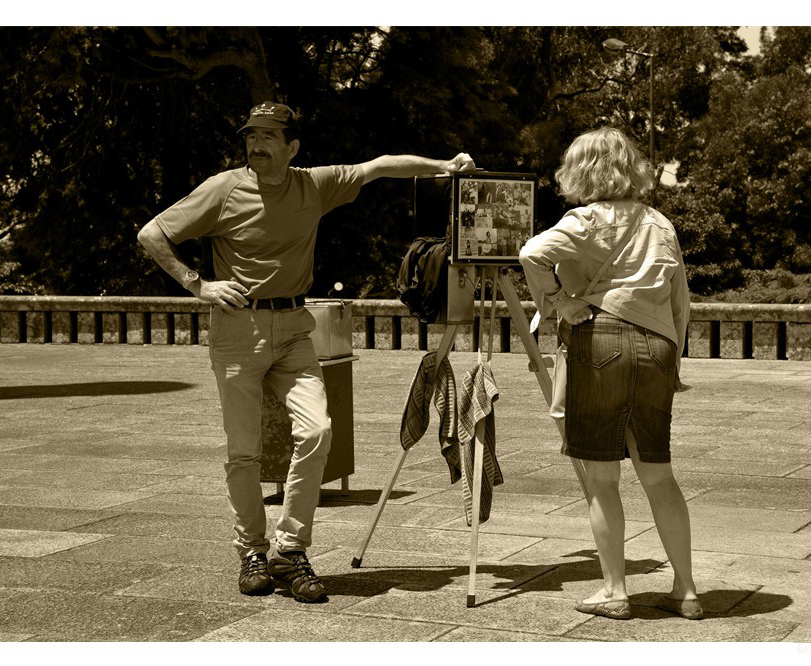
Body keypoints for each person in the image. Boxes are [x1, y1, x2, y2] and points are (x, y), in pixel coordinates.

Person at [137, 101, 475, 602]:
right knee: (243, 451)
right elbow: (152, 233)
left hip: (296, 328)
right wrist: (198, 285)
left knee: (318, 430)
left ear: (292, 146)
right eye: (251, 135)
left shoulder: (313, 185)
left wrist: (444, 167)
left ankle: (289, 549)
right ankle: (251, 550)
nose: (256, 144)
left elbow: (380, 166)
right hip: (237, 331)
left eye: (269, 136)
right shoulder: (223, 188)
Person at [519, 127, 700, 621]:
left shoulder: (582, 220)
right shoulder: (661, 224)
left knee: (602, 480)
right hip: (657, 346)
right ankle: (685, 590)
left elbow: (531, 253)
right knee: (659, 476)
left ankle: (615, 590)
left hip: (600, 339)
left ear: (579, 171)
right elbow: (680, 302)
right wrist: (675, 363)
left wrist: (559, 303)